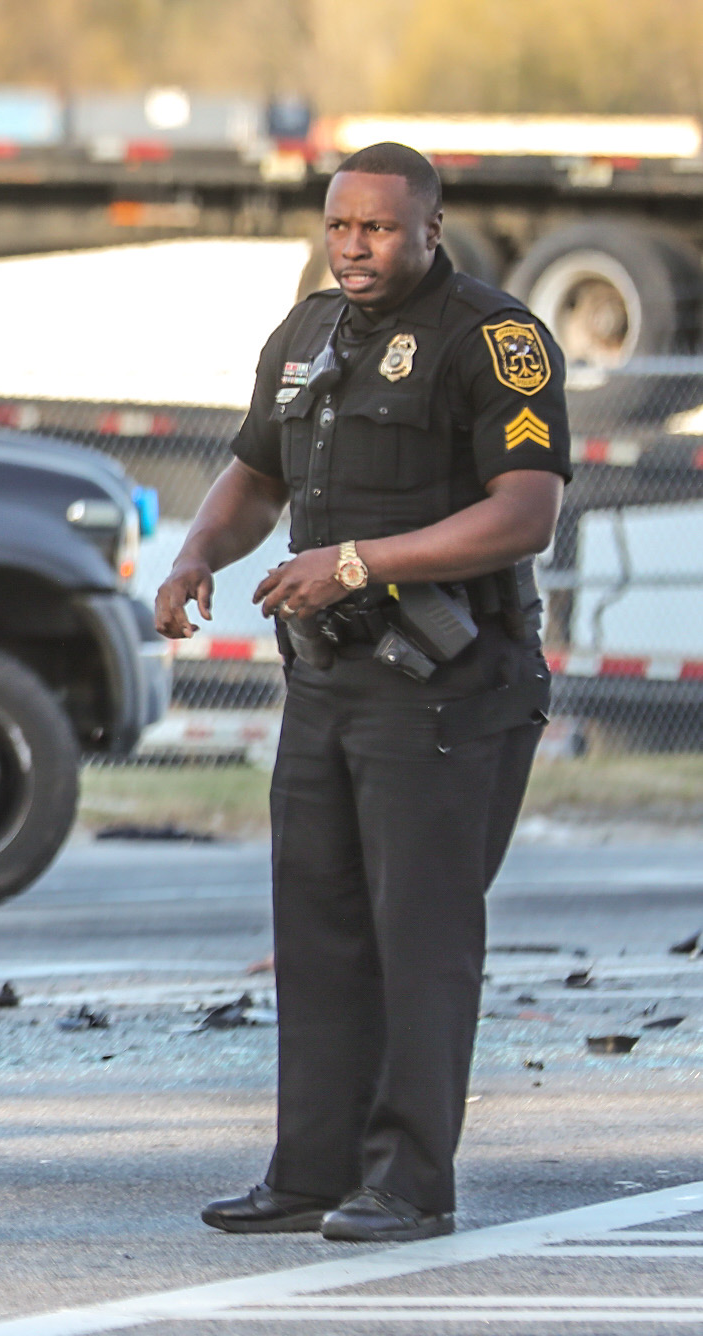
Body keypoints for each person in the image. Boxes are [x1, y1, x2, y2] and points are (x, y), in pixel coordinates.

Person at [156, 142, 568, 1243]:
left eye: (377, 229)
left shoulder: (495, 339)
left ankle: (408, 1182)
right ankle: (309, 1170)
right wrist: (197, 551)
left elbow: (524, 511)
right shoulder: (303, 333)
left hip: (447, 686)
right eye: (339, 226)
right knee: (319, 929)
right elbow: (254, 472)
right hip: (328, 681)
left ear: (430, 228)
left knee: (417, 938)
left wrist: (356, 562)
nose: (352, 247)